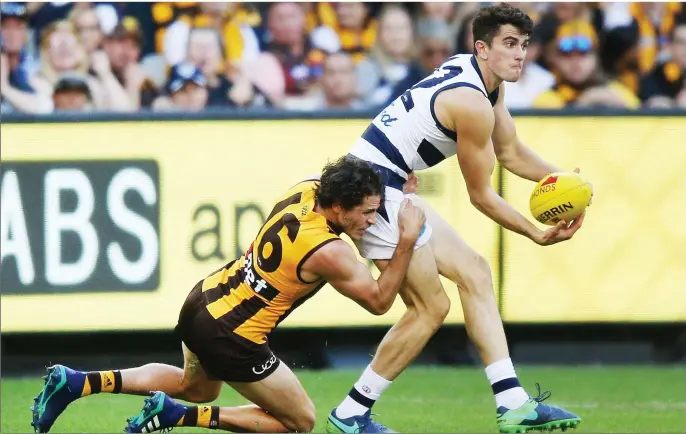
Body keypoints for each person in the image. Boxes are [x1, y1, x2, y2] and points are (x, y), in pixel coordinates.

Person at [326, 4, 588, 434]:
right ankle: (353, 411)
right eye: (508, 44)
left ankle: (513, 403)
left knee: (476, 272)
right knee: (430, 309)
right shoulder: (471, 103)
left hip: (384, 185)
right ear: (481, 48)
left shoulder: (485, 83)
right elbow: (481, 196)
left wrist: (564, 181)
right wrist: (535, 233)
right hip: (371, 194)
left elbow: (511, 153)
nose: (519, 54)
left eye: (523, 45)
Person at [30, 156, 426, 434]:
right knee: (300, 421)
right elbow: (379, 301)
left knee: (198, 386)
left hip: (203, 300)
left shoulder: (305, 189)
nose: (372, 221)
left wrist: (390, 192)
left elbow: (350, 196)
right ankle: (179, 417)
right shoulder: (331, 252)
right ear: (339, 206)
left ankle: (78, 382)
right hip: (233, 337)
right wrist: (406, 239)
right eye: (368, 213)